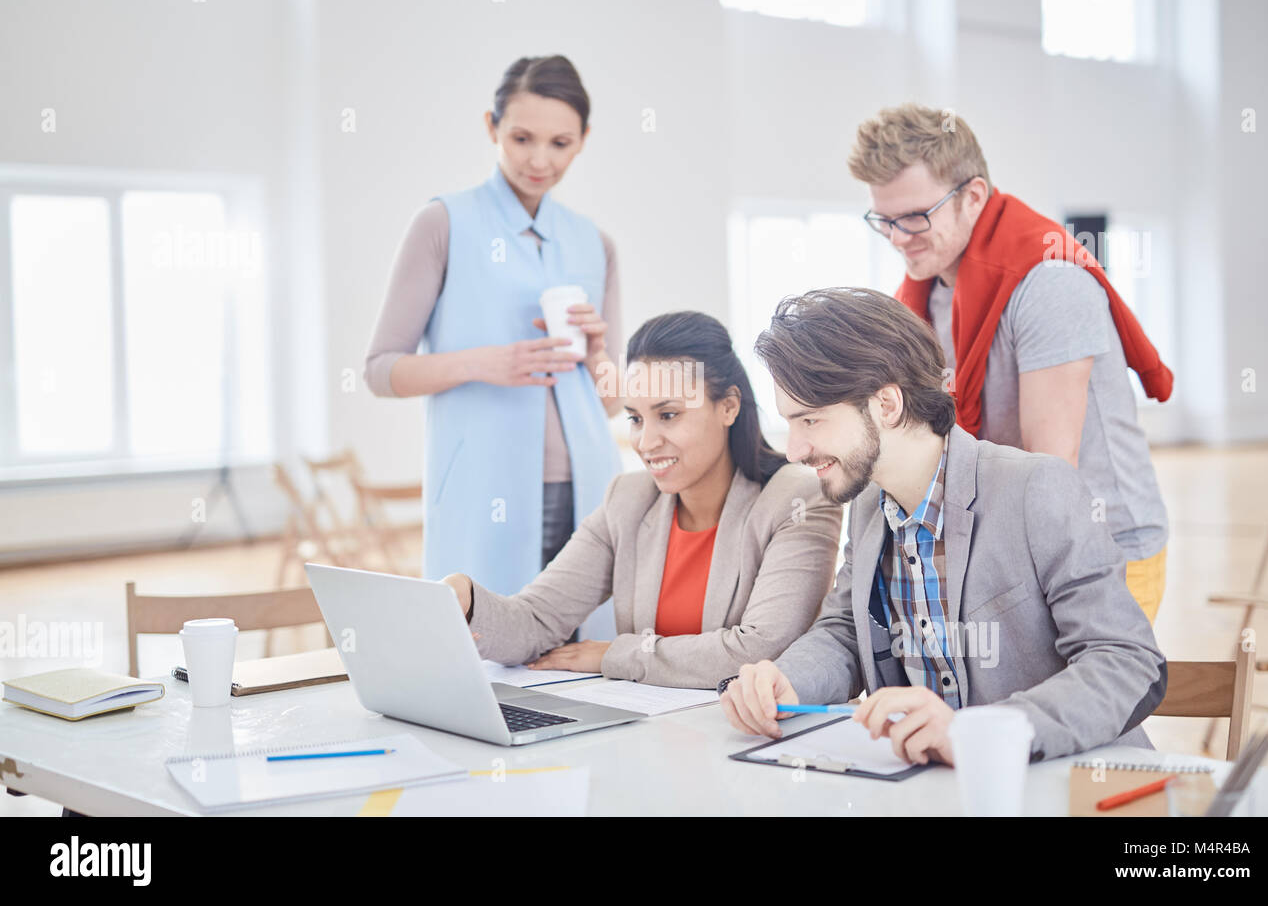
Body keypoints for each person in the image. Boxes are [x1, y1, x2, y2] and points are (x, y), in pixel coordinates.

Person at [720, 288, 1167, 764]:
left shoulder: (1035, 488)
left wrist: (981, 734)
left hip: (1069, 783)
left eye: (810, 420)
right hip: (936, 789)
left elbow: (1127, 662)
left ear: (886, 405)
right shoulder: (870, 504)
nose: (794, 450)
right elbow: (847, 631)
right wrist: (787, 679)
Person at [848, 104, 1172, 622]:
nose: (898, 237)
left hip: (1102, 546)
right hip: (1009, 538)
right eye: (884, 220)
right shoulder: (927, 291)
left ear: (973, 196)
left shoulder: (1050, 285)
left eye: (914, 217)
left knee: (1082, 680)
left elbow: (1050, 473)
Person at [438, 312, 843, 689]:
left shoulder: (797, 499)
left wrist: (616, 655)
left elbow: (760, 650)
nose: (646, 443)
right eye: (635, 418)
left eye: (668, 415)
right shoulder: (627, 500)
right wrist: (468, 600)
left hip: (748, 726)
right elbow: (537, 620)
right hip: (648, 725)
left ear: (728, 407)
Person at [364, 55, 623, 638]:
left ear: (583, 140)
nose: (540, 160)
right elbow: (381, 371)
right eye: (522, 138)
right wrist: (487, 362)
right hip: (483, 487)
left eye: (560, 143)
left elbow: (613, 403)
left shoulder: (595, 243)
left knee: (584, 655)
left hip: (590, 488)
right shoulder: (443, 223)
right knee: (482, 649)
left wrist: (597, 354)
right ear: (491, 127)